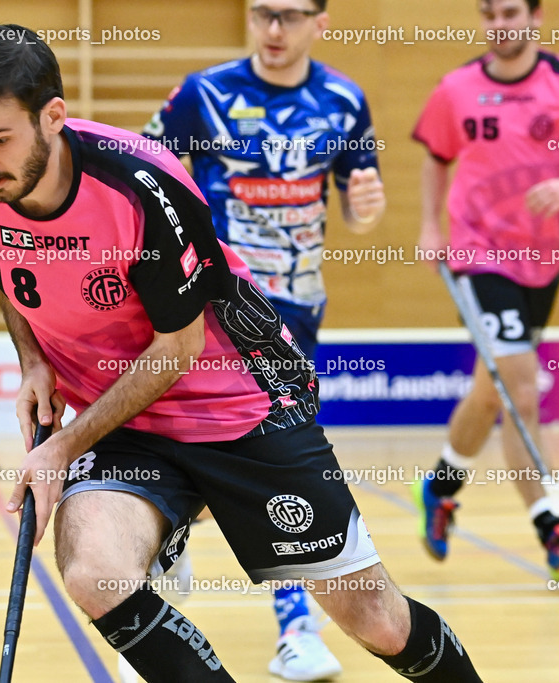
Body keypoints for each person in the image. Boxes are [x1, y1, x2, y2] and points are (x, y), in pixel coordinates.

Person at [0, 24, 484, 683]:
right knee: (94, 571)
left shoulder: (142, 187)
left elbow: (180, 347)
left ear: (53, 116)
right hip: (125, 419)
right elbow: (1, 265)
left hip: (240, 399)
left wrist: (59, 448)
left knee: (380, 621)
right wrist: (32, 360)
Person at [142, 1, 384, 678]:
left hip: (298, 305)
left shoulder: (343, 100)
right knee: (264, 453)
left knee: (261, 453)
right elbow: (142, 172)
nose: (274, 30)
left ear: (320, 21)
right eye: (262, 13)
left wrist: (367, 211)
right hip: (224, 299)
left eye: (291, 15)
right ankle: (295, 625)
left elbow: (359, 197)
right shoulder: (204, 93)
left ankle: (170, 524)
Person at [411, 0, 559, 578]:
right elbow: (436, 157)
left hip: (543, 261)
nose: (499, 26)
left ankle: (438, 488)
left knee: (491, 393)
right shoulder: (456, 88)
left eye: (511, 14)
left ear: (535, 18)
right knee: (520, 389)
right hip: (478, 257)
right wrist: (431, 226)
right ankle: (552, 532)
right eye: (489, 15)